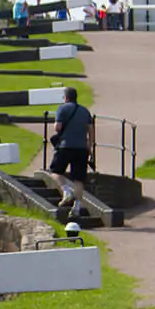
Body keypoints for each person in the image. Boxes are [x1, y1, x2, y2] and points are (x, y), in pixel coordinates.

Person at [50, 86, 95, 219]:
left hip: (65, 146)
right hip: (81, 148)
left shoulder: (62, 108)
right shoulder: (85, 111)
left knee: (55, 171)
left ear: (66, 97)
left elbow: (57, 127)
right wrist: (89, 146)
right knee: (79, 179)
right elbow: (91, 130)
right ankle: (77, 207)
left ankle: (66, 191)